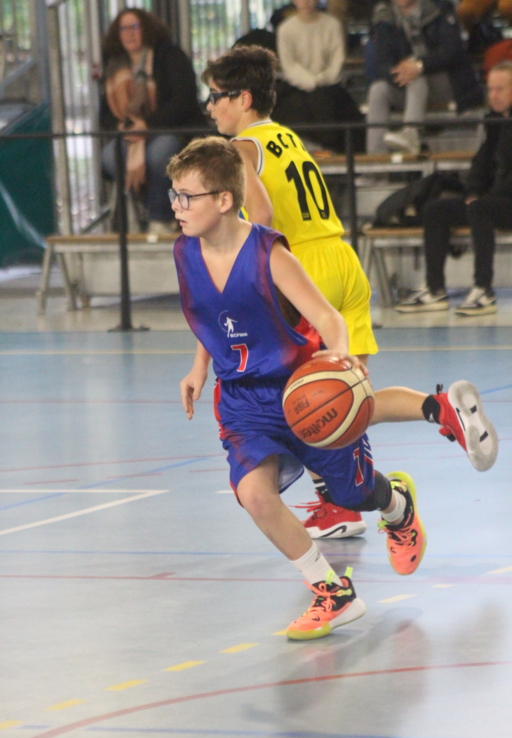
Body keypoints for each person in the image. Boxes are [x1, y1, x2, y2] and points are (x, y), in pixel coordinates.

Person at [201, 45, 498, 540]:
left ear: (243, 98)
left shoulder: (239, 149)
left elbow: (263, 215)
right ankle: (439, 409)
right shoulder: (286, 138)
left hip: (302, 272)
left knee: (304, 404)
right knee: (347, 399)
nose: (209, 107)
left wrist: (240, 262)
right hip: (342, 261)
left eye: (215, 96)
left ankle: (342, 501)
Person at [168, 135, 427, 640]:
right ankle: (331, 591)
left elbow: (328, 319)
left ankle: (397, 504)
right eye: (173, 194)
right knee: (254, 494)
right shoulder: (185, 252)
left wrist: (340, 357)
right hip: (242, 400)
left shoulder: (269, 253)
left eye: (187, 196)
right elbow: (212, 314)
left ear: (224, 200)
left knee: (354, 492)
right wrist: (199, 366)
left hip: (300, 388)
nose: (176, 206)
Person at [396, 61, 512, 315]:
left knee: (480, 209)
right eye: (490, 89)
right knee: (435, 210)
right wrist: (472, 192)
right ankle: (435, 289)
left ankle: (483, 290)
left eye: (500, 89)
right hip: (490, 201)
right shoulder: (494, 121)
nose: (493, 95)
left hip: (504, 202)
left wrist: (484, 199)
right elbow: (481, 164)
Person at [99, 7, 205, 234]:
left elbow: (184, 101)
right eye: (123, 29)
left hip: (172, 129)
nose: (129, 33)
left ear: (146, 29)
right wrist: (122, 126)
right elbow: (105, 115)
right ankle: (139, 212)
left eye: (134, 27)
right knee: (110, 157)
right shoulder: (114, 65)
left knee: (158, 155)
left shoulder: (170, 56)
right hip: (131, 136)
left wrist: (147, 125)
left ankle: (160, 218)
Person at [366, 0, 483, 155]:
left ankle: (411, 132)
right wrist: (402, 72)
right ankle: (376, 159)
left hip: (448, 84)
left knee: (417, 76)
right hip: (409, 86)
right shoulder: (384, 16)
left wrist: (419, 65)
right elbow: (382, 63)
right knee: (378, 89)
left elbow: (452, 52)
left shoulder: (439, 8)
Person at [273, 0, 365, 153]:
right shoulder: (285, 29)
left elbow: (337, 59)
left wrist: (322, 79)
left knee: (332, 107)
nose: (306, 2)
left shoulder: (332, 25)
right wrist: (311, 82)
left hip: (329, 86)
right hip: (297, 88)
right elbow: (289, 65)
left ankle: (332, 151)